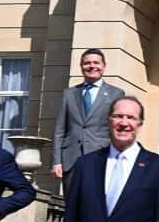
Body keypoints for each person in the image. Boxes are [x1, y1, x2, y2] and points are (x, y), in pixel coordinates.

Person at [52, 48, 126, 185]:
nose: (92, 66)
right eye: (87, 63)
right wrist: (57, 162)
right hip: (71, 160)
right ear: (81, 67)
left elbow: (118, 129)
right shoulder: (69, 94)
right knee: (72, 198)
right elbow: (60, 130)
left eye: (96, 63)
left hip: (101, 157)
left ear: (104, 66)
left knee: (97, 197)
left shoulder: (116, 94)